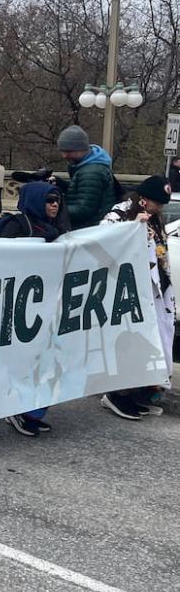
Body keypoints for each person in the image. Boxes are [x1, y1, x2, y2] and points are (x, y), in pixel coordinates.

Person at [0, 182, 69, 436]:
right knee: (23, 359)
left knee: (46, 358)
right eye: (49, 200)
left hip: (42, 305)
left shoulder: (56, 229)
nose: (54, 205)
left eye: (57, 200)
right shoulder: (15, 226)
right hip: (14, 306)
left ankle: (33, 409)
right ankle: (18, 408)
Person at [98, 175, 173, 421]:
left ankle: (137, 393)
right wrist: (130, 228)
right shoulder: (120, 213)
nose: (159, 208)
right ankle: (117, 394)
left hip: (153, 289)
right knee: (129, 341)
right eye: (157, 203)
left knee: (149, 343)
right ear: (144, 199)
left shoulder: (156, 218)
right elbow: (101, 237)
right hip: (128, 290)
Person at [56, 125, 116, 229]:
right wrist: (61, 184)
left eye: (68, 151)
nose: (64, 156)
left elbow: (84, 210)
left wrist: (54, 209)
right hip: (92, 227)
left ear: (81, 148)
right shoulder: (89, 166)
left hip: (88, 229)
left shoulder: (91, 173)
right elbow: (85, 193)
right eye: (62, 151)